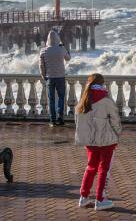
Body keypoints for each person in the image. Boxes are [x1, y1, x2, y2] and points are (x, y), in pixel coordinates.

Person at [75, 73, 122, 211]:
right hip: (106, 140)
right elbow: (115, 121)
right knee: (103, 169)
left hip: (90, 141)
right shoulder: (106, 99)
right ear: (102, 84)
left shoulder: (84, 99)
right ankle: (100, 200)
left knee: (91, 167)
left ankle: (83, 197)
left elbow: (79, 122)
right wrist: (117, 134)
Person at [39, 30, 71, 126]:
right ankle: (60, 116)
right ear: (57, 39)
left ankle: (52, 120)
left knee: (51, 99)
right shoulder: (61, 49)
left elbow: (41, 65)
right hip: (60, 77)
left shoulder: (43, 50)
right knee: (61, 97)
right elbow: (68, 58)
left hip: (50, 78)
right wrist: (64, 47)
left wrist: (43, 76)